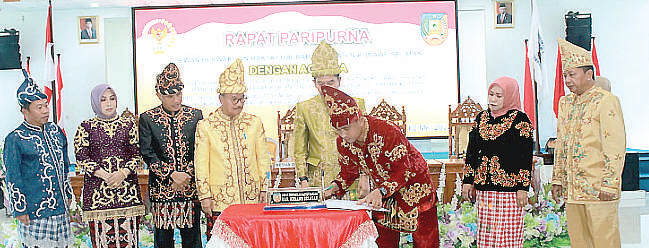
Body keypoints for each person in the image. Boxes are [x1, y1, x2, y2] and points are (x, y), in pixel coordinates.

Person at [321, 85, 439, 248]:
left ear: (361, 121)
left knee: (426, 241)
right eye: (338, 130)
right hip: (383, 195)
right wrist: (334, 188)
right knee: (382, 241)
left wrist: (381, 191)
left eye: (346, 128)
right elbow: (348, 172)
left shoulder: (387, 131)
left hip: (414, 188)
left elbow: (403, 170)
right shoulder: (343, 142)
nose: (343, 135)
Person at [551, 38, 626, 248]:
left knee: (605, 242)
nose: (567, 80)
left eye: (572, 74)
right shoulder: (565, 103)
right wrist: (557, 179)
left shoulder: (605, 100)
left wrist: (610, 183)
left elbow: (615, 145)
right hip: (573, 192)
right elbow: (561, 144)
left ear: (589, 74)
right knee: (579, 242)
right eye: (565, 75)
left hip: (599, 189)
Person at [195, 59, 271, 239]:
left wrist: (265, 187)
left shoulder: (254, 122)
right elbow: (201, 164)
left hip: (252, 199)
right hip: (221, 201)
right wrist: (204, 195)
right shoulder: (206, 126)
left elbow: (263, 159)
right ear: (221, 98)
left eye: (242, 99)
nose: (239, 103)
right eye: (234, 99)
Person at [3, 70, 74, 247]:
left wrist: (68, 193)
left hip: (60, 208)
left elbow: (65, 166)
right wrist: (19, 209)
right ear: (24, 111)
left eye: (46, 105)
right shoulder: (15, 138)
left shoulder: (56, 131)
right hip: (35, 212)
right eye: (39, 107)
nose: (45, 111)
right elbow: (13, 177)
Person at [461, 76, 533, 248]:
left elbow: (525, 156)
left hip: (509, 191)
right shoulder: (482, 118)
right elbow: (472, 152)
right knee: (487, 236)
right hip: (485, 190)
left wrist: (523, 187)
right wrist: (468, 181)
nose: (493, 99)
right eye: (491, 94)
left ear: (508, 96)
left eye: (499, 96)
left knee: (506, 238)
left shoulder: (520, 120)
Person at [293, 40, 369, 197]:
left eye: (330, 82)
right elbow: (299, 150)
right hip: (318, 179)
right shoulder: (305, 107)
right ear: (314, 83)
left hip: (352, 179)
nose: (326, 88)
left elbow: (366, 144)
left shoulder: (356, 104)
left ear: (339, 81)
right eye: (321, 83)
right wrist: (303, 179)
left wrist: (364, 175)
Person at [139, 63, 203, 248]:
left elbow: (201, 150)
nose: (176, 100)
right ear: (159, 95)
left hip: (189, 189)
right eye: (170, 96)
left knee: (192, 240)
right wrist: (172, 175)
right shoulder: (148, 118)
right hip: (162, 190)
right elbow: (147, 153)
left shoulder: (195, 115)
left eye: (179, 94)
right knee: (163, 241)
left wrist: (187, 174)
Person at [74, 84, 146, 247]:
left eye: (112, 99)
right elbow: (82, 158)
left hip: (128, 194)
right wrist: (106, 176)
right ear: (94, 102)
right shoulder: (86, 127)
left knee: (129, 242)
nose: (108, 104)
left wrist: (123, 173)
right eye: (103, 100)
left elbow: (137, 155)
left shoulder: (128, 125)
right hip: (97, 197)